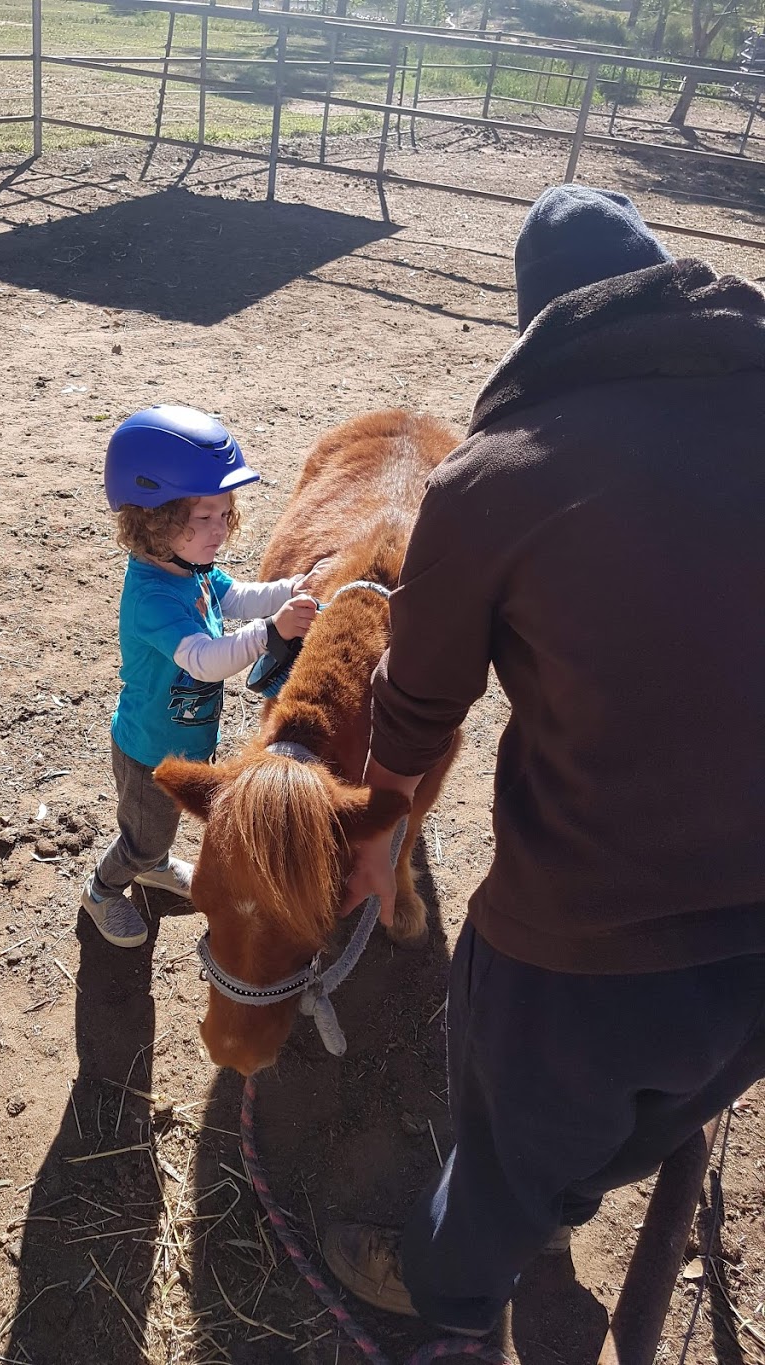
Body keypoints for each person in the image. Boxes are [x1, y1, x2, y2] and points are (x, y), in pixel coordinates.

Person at [322, 186, 765, 1340]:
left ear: (542, 327)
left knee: (506, 1151)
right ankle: (572, 1192)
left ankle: (450, 1294)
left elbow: (414, 712)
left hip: (585, 948)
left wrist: (378, 836)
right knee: (670, 1102)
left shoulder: (498, 477)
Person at [80, 404, 328, 949]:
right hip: (148, 750)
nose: (220, 530)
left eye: (224, 514)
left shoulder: (194, 568)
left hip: (187, 738)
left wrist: (291, 587)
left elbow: (234, 595)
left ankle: (156, 864)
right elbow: (202, 658)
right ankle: (102, 892)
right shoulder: (150, 595)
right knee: (142, 837)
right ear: (154, 520)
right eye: (203, 519)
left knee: (163, 827)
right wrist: (270, 632)